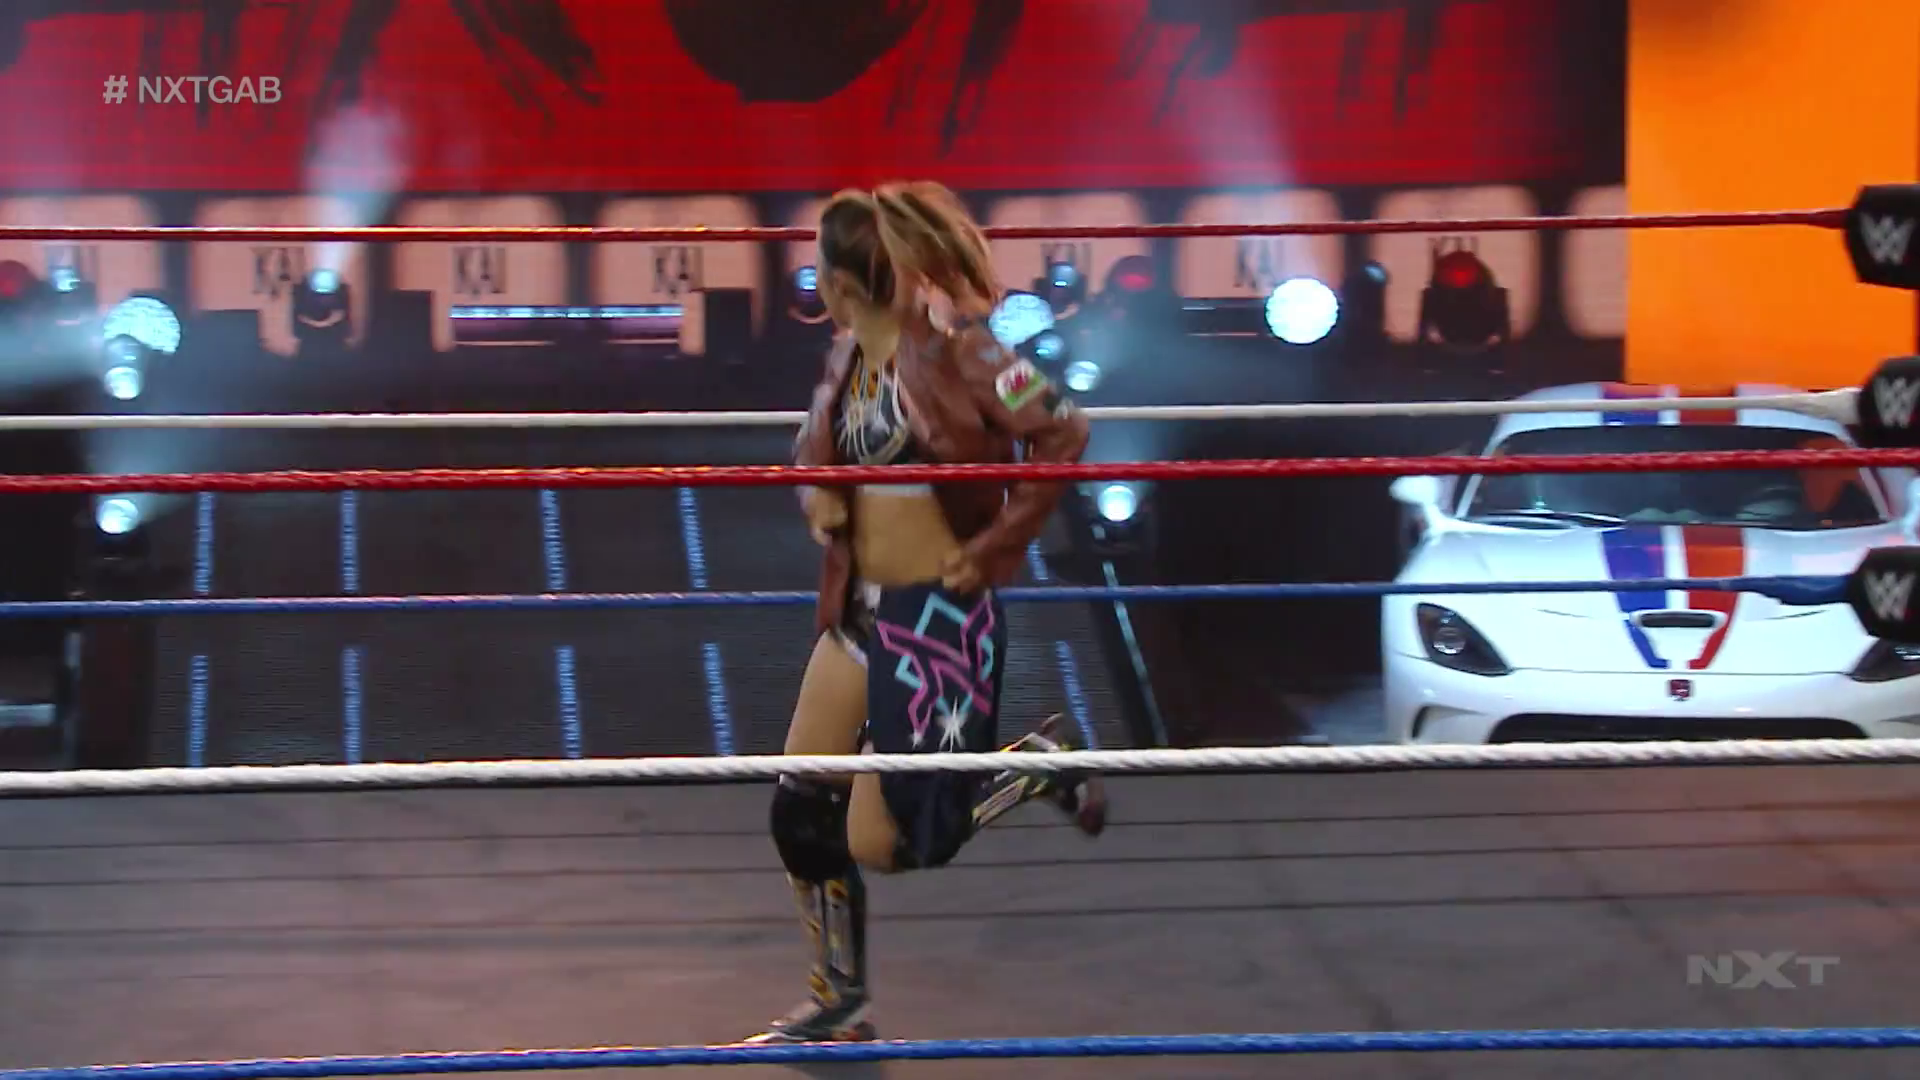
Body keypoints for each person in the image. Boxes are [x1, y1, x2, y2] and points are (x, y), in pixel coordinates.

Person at [749, 182, 1106, 1044]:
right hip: (859, 611)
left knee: (894, 842)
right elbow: (818, 461)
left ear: (847, 283)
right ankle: (840, 1003)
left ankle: (1036, 767)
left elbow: (1065, 430)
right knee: (801, 809)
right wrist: (820, 494)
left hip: (937, 621)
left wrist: (995, 548)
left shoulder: (968, 355)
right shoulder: (848, 359)